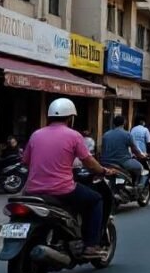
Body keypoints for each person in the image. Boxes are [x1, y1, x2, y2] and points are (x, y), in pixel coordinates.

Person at [23, 98, 117, 259]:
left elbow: (26, 160)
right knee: (96, 200)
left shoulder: (36, 134)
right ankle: (90, 246)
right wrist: (103, 171)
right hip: (61, 189)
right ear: (70, 118)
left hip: (33, 190)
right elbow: (89, 162)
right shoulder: (73, 136)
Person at [101, 114, 146, 183]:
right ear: (124, 123)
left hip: (106, 162)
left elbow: (102, 149)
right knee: (139, 167)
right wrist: (141, 156)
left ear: (114, 123)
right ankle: (136, 184)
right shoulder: (127, 134)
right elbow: (134, 150)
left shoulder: (106, 135)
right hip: (122, 161)